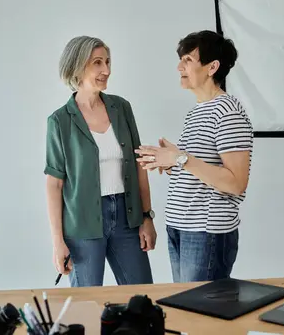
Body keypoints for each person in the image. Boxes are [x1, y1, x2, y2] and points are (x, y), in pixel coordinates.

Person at [135, 30, 253, 283]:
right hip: (181, 227)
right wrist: (169, 161)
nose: (179, 67)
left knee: (199, 314)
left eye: (188, 60)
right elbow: (200, 168)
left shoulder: (228, 112)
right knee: (185, 308)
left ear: (212, 67)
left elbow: (235, 182)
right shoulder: (197, 112)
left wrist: (180, 159)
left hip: (206, 232)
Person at [44, 35, 155, 287]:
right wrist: (57, 241)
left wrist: (147, 217)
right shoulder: (59, 121)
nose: (106, 70)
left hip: (128, 218)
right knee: (87, 307)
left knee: (142, 299)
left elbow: (139, 164)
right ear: (77, 66)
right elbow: (54, 184)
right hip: (82, 225)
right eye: (97, 63)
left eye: (107, 62)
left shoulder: (122, 108)